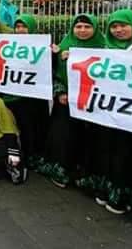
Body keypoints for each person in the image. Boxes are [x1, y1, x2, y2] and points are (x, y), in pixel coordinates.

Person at [77, 9, 132, 216]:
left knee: (131, 155)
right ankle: (106, 190)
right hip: (107, 111)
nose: (118, 30)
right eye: (114, 26)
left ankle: (126, 198)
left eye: (123, 25)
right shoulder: (103, 48)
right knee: (107, 151)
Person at [38, 13, 106, 189]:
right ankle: (62, 171)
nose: (82, 31)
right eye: (78, 27)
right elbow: (51, 74)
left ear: (95, 28)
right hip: (66, 103)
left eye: (87, 27)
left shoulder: (106, 48)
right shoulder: (64, 47)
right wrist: (60, 92)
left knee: (90, 140)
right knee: (64, 137)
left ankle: (85, 175)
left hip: (93, 105)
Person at [8, 14, 50, 171]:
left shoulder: (41, 45)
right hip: (17, 93)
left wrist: (54, 53)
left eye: (24, 27)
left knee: (34, 126)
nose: (20, 30)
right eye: (17, 27)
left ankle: (36, 155)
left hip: (34, 96)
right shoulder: (9, 44)